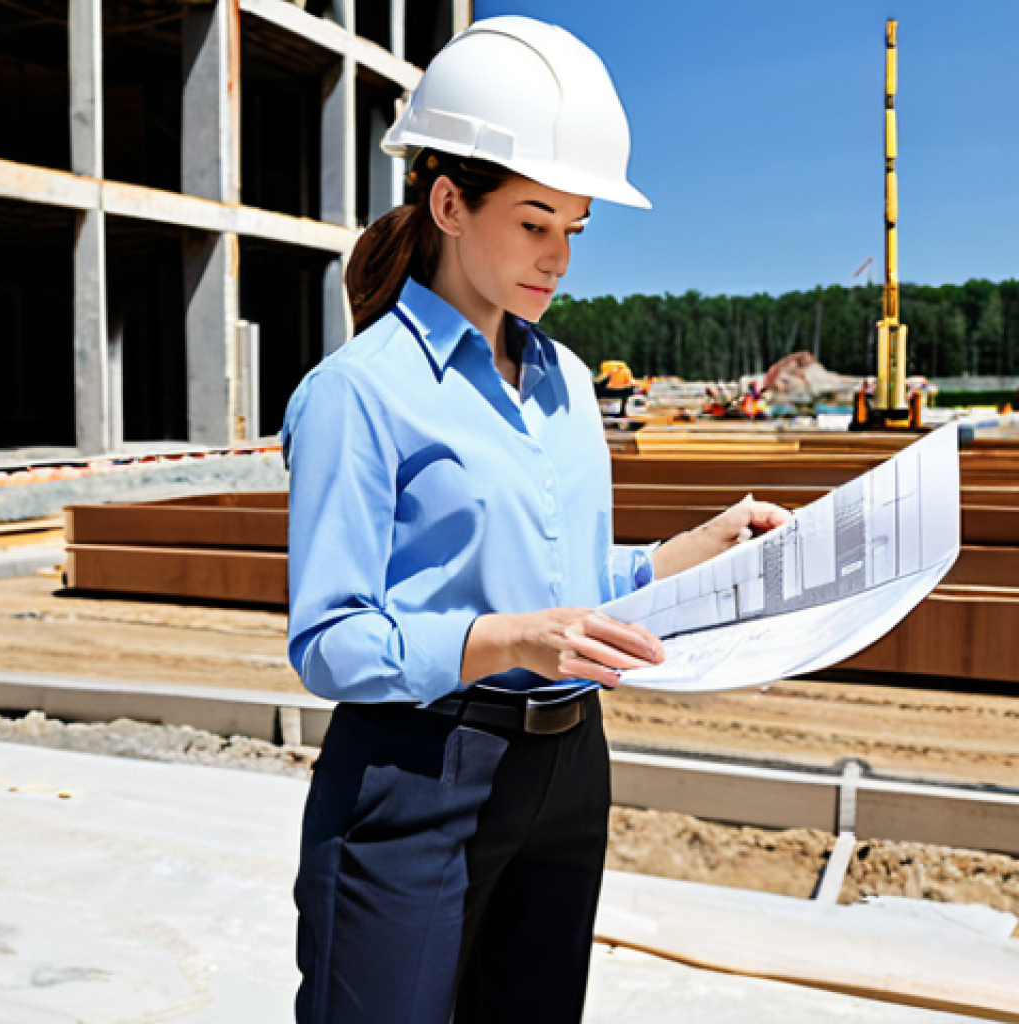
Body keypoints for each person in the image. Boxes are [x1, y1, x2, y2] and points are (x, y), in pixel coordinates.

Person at [282, 16, 789, 1024]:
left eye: (576, 230)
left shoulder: (559, 377)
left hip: (566, 767)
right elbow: (328, 642)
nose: (559, 258)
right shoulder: (358, 394)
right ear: (448, 204)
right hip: (418, 772)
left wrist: (698, 550)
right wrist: (513, 639)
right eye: (533, 221)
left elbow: (565, 581)